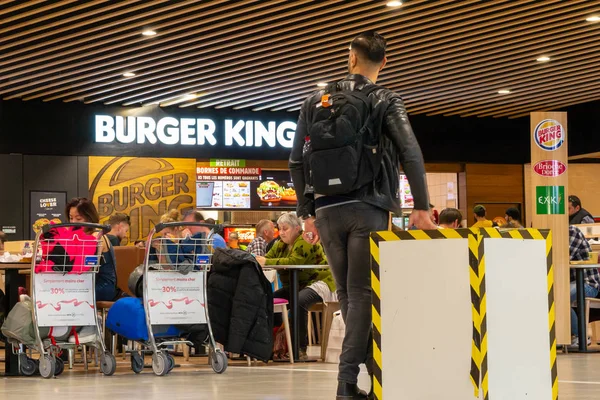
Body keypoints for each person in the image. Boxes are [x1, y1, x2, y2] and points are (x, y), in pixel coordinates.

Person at [290, 31, 436, 399]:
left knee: (348, 294)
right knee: (363, 295)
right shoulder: (385, 99)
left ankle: (363, 380)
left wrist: (306, 212)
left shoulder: (313, 101)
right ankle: (346, 380)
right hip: (369, 207)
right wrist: (420, 206)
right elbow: (410, 152)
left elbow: (295, 161)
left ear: (351, 58)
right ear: (383, 62)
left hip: (325, 209)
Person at [255, 213, 334, 361]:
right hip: (295, 285)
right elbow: (270, 258)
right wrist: (262, 260)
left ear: (297, 228)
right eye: (280, 229)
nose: (282, 232)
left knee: (299, 300)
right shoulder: (280, 244)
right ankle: (275, 345)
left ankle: (300, 349)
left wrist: (266, 261)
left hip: (319, 282)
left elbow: (295, 260)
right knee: (267, 301)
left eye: (285, 228)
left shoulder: (305, 240)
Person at [65, 198, 119, 302]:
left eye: (78, 218)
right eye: (71, 218)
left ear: (89, 218)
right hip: (87, 283)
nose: (73, 222)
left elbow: (89, 269)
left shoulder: (97, 236)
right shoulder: (81, 236)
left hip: (103, 287)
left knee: (65, 291)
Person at [569, 225, 598, 346]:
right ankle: (563, 335)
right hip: (574, 283)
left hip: (588, 284)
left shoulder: (571, 231)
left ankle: (581, 336)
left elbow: (561, 258)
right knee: (556, 297)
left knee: (559, 298)